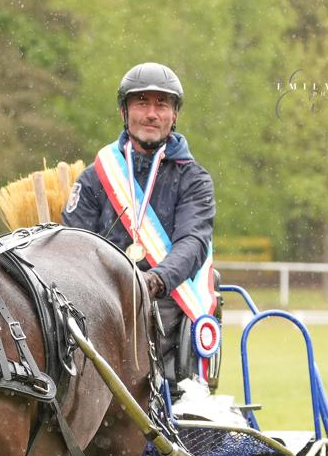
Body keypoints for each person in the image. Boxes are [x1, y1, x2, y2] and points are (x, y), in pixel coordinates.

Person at [63, 62, 218, 389]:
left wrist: (155, 280)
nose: (151, 114)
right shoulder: (95, 178)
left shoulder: (194, 180)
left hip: (164, 299)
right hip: (100, 298)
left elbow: (192, 242)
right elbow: (74, 243)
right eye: (141, 103)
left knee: (150, 319)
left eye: (162, 104)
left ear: (174, 115)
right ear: (124, 111)